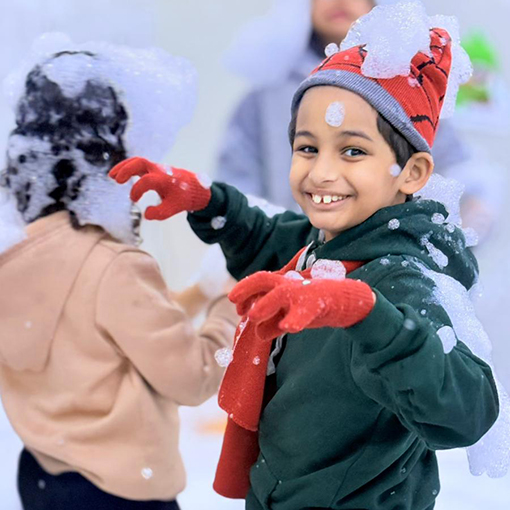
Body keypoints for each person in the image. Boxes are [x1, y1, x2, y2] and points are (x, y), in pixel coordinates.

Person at [110, 4, 503, 509]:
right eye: (307, 148)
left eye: (353, 151)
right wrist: (209, 202)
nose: (320, 173)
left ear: (412, 172)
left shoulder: (405, 279)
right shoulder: (327, 242)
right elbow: (268, 238)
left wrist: (367, 315)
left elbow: (468, 410)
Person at [0, 38, 237, 510]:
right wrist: (228, 307)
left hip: (42, 477)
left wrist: (197, 294)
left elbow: (98, 335)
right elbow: (192, 378)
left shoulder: (13, 254)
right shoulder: (113, 267)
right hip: (121, 490)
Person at [216, 0, 471, 213]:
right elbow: (237, 179)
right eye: (306, 148)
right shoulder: (266, 96)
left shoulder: (409, 88)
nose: (339, 1)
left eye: (354, 151)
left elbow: (457, 171)